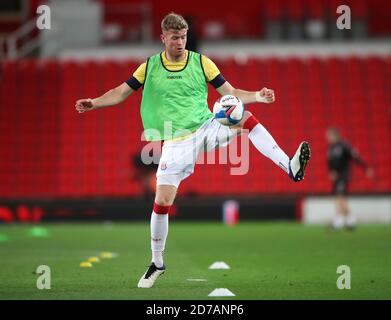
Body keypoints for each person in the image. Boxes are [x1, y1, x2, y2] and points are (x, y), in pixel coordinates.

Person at [75, 12, 311, 288]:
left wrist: (257, 96)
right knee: (162, 201)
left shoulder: (201, 62)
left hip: (206, 127)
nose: (180, 42)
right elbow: (120, 91)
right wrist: (94, 102)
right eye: (175, 38)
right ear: (163, 38)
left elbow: (231, 91)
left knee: (244, 117)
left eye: (184, 37)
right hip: (175, 142)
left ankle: (290, 166)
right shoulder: (149, 67)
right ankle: (157, 262)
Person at [326, 127, 374, 230]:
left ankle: (340, 220)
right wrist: (332, 172)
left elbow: (355, 157)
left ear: (336, 135)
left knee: (340, 197)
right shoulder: (331, 148)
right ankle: (349, 220)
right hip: (337, 177)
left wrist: (366, 168)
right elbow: (330, 162)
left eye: (329, 135)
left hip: (343, 176)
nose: (328, 138)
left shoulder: (344, 146)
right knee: (340, 198)